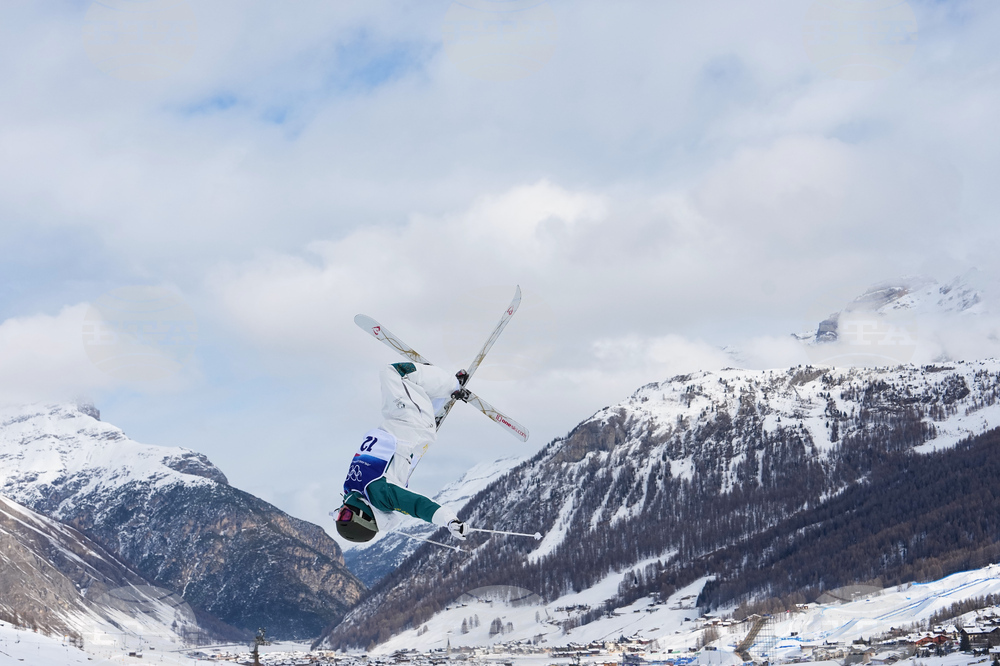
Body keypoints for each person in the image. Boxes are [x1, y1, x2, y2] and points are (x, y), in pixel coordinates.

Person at [335, 361, 472, 543]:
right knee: (394, 373)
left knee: (414, 393)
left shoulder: (353, 493)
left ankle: (435, 389)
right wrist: (449, 519)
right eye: (345, 515)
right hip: (410, 422)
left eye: (339, 515)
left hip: (404, 427)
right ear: (363, 517)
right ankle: (451, 384)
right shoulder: (380, 495)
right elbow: (417, 505)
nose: (342, 511)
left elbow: (397, 470)